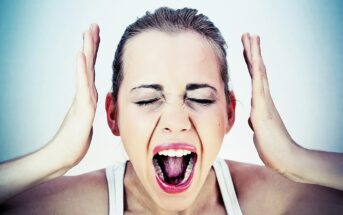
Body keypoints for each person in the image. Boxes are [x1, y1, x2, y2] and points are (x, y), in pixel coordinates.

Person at [0, 7, 342, 214]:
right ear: (112, 115)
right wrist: (56, 156)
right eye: (148, 99)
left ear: (231, 114)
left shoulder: (274, 204)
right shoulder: (74, 207)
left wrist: (294, 159)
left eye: (202, 99)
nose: (177, 123)